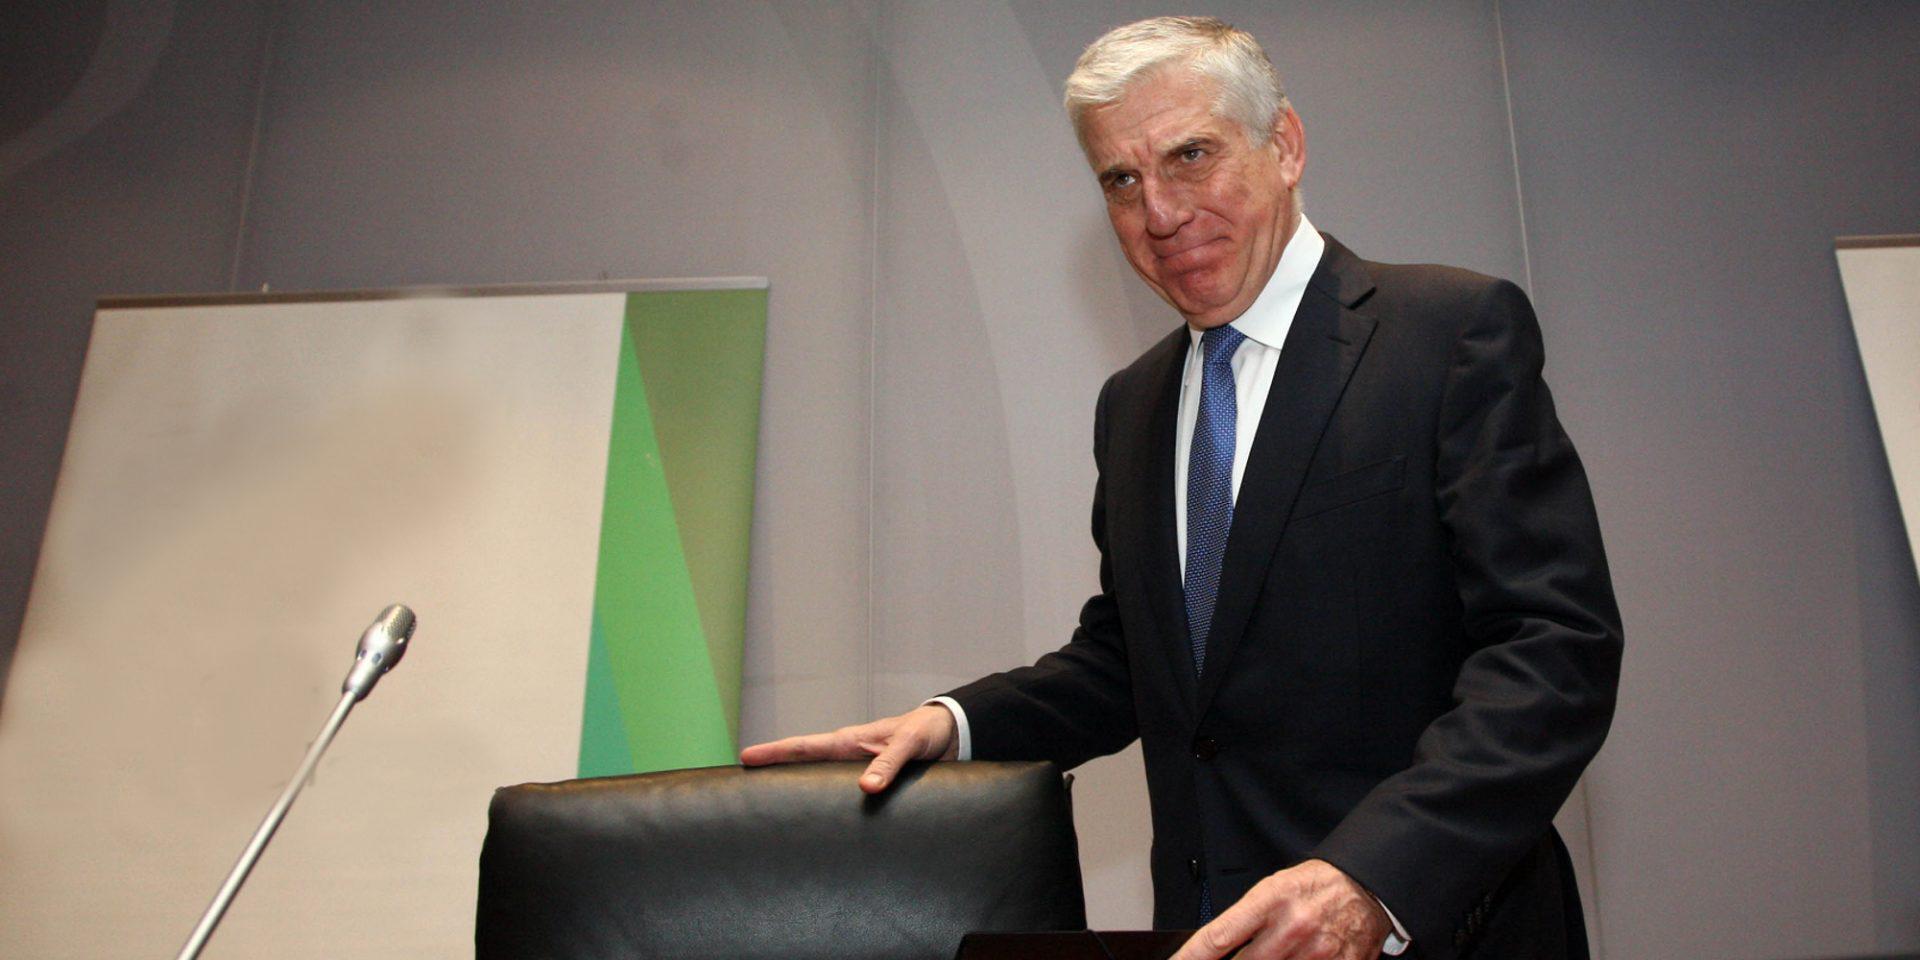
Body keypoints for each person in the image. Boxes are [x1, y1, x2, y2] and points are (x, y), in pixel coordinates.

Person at [742, 16, 1621, 960]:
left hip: (1432, 931)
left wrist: (1373, 879)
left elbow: (1553, 651)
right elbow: (1136, 661)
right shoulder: (1134, 405)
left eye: (1190, 157)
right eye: (1121, 181)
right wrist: (951, 727)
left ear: (1285, 145)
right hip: (1207, 934)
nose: (1158, 214)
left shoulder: (1447, 334)